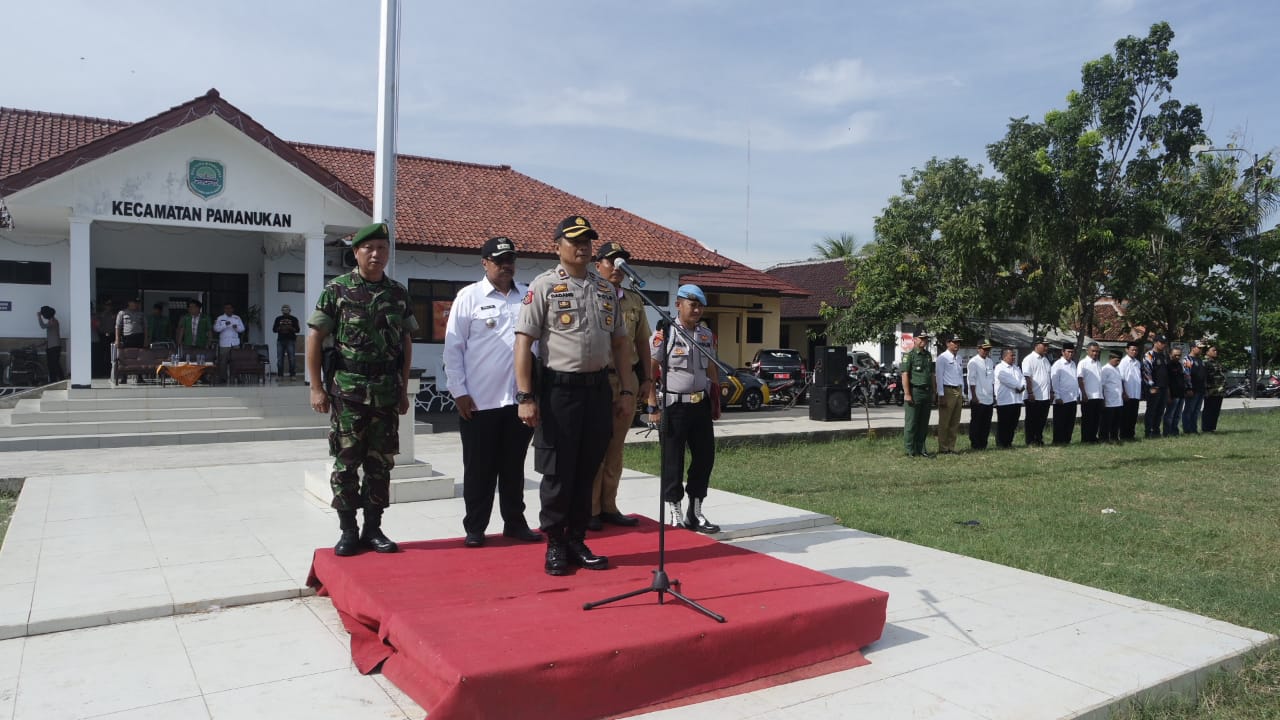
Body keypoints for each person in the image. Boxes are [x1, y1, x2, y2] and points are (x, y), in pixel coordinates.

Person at [514, 215, 635, 576]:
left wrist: (627, 389)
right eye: (574, 240)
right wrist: (525, 396)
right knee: (558, 473)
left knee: (587, 469)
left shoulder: (604, 289)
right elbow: (524, 343)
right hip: (558, 392)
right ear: (558, 246)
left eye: (587, 241)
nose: (582, 246)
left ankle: (577, 538)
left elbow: (620, 344)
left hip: (598, 390)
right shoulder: (545, 286)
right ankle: (554, 542)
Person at [307, 222, 417, 557]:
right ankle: (348, 530)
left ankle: (373, 528)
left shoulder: (397, 293)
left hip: (385, 390)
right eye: (369, 248)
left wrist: (402, 388)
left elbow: (406, 341)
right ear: (356, 252)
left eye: (382, 248)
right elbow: (314, 338)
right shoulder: (337, 290)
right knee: (346, 462)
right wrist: (316, 388)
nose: (376, 254)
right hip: (348, 391)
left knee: (380, 463)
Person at [444, 236, 541, 548]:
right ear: (484, 262)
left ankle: (515, 522)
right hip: (479, 401)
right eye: (499, 260)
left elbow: (538, 347)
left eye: (510, 259)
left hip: (519, 401)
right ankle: (475, 527)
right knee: (479, 470)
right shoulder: (468, 297)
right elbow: (453, 348)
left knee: (513, 467)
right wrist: (458, 391)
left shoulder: (528, 296)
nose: (506, 265)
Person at [588, 239, 652, 531]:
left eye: (621, 262)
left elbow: (642, 342)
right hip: (597, 378)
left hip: (627, 379)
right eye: (611, 261)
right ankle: (589, 509)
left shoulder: (633, 300)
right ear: (597, 264)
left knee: (616, 448)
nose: (617, 267)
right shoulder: (588, 294)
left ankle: (609, 506)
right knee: (594, 447)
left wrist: (647, 379)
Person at [650, 284, 721, 534]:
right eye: (693, 304)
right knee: (672, 461)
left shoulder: (705, 334)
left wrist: (715, 395)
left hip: (700, 405)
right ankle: (674, 511)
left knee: (704, 458)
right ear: (679, 304)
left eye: (700, 305)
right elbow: (652, 367)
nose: (697, 309)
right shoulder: (666, 332)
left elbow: (711, 365)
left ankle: (696, 510)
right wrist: (651, 404)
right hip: (674, 405)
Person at [901, 332, 935, 458]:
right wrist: (907, 393)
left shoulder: (928, 355)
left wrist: (934, 391)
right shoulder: (909, 356)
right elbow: (905, 375)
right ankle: (910, 449)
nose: (924, 341)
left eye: (925, 339)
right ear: (914, 339)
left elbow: (931, 374)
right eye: (921, 339)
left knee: (923, 423)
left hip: (926, 392)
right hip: (915, 391)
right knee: (911, 423)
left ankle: (921, 448)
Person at [934, 336, 964, 454]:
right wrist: (941, 395)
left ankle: (951, 446)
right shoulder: (942, 358)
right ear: (948, 343)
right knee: (945, 422)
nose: (956, 345)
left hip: (958, 389)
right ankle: (943, 447)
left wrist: (963, 391)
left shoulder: (959, 358)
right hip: (947, 390)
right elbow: (939, 377)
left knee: (955, 421)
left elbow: (960, 375)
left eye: (958, 343)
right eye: (954, 342)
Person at [1021, 338, 1052, 446]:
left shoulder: (1046, 360)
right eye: (1044, 345)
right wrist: (1030, 392)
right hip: (1034, 396)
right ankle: (1030, 440)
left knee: (1041, 420)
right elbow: (1027, 377)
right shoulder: (1029, 359)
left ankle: (1038, 439)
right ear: (1036, 345)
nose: (1046, 348)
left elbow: (1048, 377)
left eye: (1047, 345)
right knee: (1031, 420)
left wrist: (1051, 392)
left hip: (1045, 396)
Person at [967, 340, 996, 450]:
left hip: (988, 397)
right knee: (976, 423)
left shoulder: (990, 361)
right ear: (978, 349)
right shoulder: (973, 362)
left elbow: (992, 380)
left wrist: (993, 395)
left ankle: (983, 444)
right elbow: (971, 380)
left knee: (986, 423)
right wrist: (974, 396)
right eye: (984, 349)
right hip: (978, 397)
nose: (986, 351)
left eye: (988, 349)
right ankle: (975, 444)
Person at [995, 348, 1026, 448]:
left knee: (1013, 423)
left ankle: (1009, 442)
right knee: (1004, 424)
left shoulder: (1016, 368)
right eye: (1011, 355)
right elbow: (1006, 379)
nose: (1013, 357)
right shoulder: (999, 367)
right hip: (1005, 401)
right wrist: (1019, 386)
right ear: (1004, 356)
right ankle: (1001, 443)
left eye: (1014, 355)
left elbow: (1023, 379)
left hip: (1016, 400)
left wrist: (1022, 387)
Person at [1050, 343, 1079, 445]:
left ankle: (1067, 440)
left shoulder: (1073, 364)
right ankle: (1058, 441)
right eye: (1068, 352)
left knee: (1070, 421)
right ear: (1063, 352)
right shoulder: (1058, 365)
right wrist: (1057, 396)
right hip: (1061, 398)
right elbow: (1054, 382)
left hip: (1072, 398)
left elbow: (1074, 380)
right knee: (1060, 422)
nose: (1070, 354)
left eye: (1072, 352)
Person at [1142, 335, 1171, 438]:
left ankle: (1156, 431)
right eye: (1161, 342)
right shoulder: (1149, 355)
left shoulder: (1164, 356)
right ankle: (1148, 432)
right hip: (1154, 388)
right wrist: (1151, 386)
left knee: (1160, 411)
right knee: (1151, 410)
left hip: (1163, 387)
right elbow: (1147, 371)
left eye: (1164, 342)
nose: (1163, 344)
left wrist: (1167, 388)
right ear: (1155, 342)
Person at [1076, 342, 1104, 443]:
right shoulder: (1083, 363)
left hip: (1098, 396)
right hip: (1088, 396)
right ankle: (1086, 439)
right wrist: (1083, 393)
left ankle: (1093, 437)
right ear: (1087, 351)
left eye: (1097, 351)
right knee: (1087, 419)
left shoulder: (1098, 363)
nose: (1095, 353)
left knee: (1096, 419)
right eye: (1093, 351)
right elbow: (1080, 379)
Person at [115, 298, 147, 383]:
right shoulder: (122, 313)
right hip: (127, 337)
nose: (136, 304)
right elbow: (118, 327)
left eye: (137, 303)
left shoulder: (141, 314)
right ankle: (124, 377)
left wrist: (146, 340)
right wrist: (117, 339)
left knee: (140, 358)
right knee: (126, 358)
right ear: (129, 303)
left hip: (139, 337)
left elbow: (145, 328)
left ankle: (139, 377)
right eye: (134, 302)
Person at [214, 303, 246, 383]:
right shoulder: (220, 318)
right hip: (224, 343)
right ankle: (223, 378)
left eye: (230, 308)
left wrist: (236, 328)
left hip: (235, 343)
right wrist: (225, 325)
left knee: (237, 361)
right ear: (224, 309)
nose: (228, 310)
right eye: (226, 308)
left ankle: (237, 377)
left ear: (232, 309)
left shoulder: (237, 317)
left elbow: (242, 329)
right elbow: (216, 329)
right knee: (223, 361)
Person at [1117, 341, 1143, 440]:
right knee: (1125, 416)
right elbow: (1121, 379)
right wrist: (1123, 392)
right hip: (1127, 394)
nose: (1134, 352)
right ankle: (1123, 435)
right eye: (1132, 350)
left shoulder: (1137, 362)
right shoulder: (1123, 362)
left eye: (1136, 350)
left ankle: (1131, 435)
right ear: (1127, 350)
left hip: (1135, 394)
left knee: (1133, 416)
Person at [1182, 341, 1207, 434]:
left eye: (1201, 348)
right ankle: (1187, 430)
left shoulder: (1200, 360)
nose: (1201, 350)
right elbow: (1186, 375)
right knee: (1189, 410)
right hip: (1192, 390)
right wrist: (1189, 388)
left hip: (1200, 389)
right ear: (1193, 348)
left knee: (1196, 411)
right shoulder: (1187, 359)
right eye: (1199, 348)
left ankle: (1194, 429)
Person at [272, 305, 301, 380]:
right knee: (279, 359)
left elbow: (298, 330)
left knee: (291, 358)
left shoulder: (294, 319)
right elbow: (274, 329)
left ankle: (292, 375)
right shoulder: (278, 319)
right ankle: (280, 375)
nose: (285, 311)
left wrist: (290, 328)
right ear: (281, 310)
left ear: (290, 310)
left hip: (290, 340)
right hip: (280, 340)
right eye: (283, 309)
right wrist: (280, 328)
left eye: (287, 309)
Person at [1100, 352, 1124, 443]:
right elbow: (1101, 385)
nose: (1118, 362)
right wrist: (1103, 399)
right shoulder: (1105, 369)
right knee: (1106, 421)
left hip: (1118, 400)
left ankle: (1114, 437)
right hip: (1109, 400)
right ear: (1110, 358)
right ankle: (1104, 438)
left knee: (1116, 421)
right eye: (1116, 360)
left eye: (1119, 361)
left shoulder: (1117, 369)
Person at [1202, 344, 1226, 432]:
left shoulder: (1216, 362)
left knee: (1216, 410)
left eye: (1216, 350)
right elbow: (1204, 377)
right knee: (1209, 409)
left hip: (1219, 390)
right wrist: (1206, 389)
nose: (1216, 352)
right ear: (1207, 352)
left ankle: (1212, 427)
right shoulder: (1205, 362)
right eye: (1213, 350)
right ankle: (1206, 428)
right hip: (1210, 390)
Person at [37, 306, 64, 382]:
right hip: (51, 347)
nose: (43, 316)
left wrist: (39, 317)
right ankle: (54, 381)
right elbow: (51, 336)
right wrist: (43, 344)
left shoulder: (53, 321)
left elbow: (42, 326)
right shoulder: (51, 321)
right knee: (51, 365)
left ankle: (61, 380)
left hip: (54, 347)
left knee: (55, 365)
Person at [1163, 346, 1186, 437]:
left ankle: (1174, 431)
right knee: (1169, 415)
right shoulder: (1167, 365)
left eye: (1179, 355)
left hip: (1181, 394)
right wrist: (1168, 395)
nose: (1177, 357)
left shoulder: (1180, 365)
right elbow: (1167, 382)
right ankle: (1167, 432)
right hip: (1172, 394)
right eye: (1175, 355)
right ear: (1170, 355)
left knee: (1177, 415)